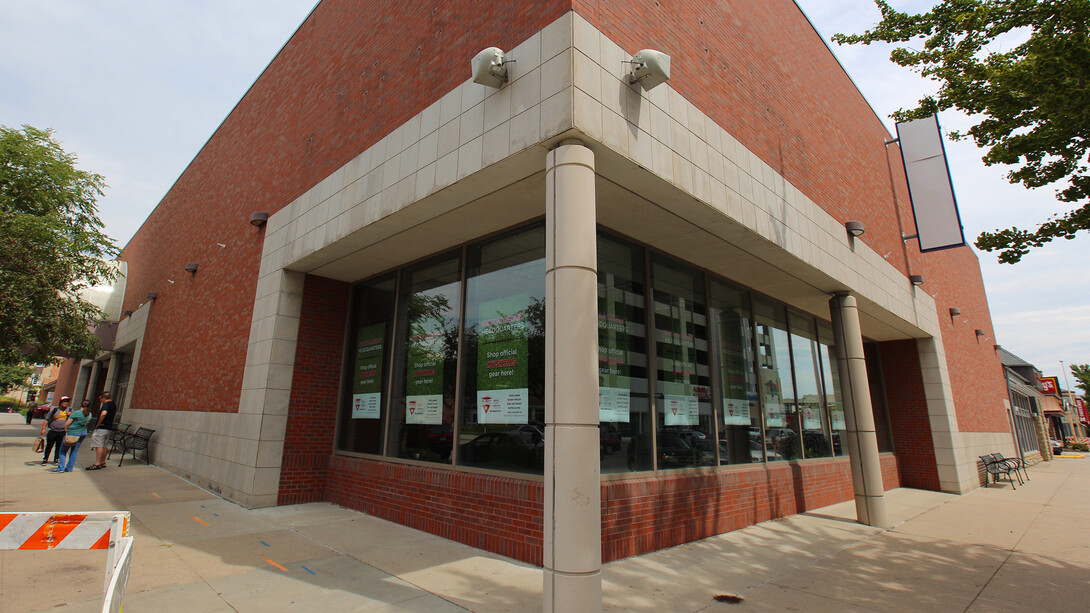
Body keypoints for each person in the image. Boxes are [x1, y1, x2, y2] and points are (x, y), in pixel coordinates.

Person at [54, 400, 92, 473]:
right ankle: (69, 468)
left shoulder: (76, 413)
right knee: (74, 451)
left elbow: (67, 423)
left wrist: (65, 430)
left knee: (62, 451)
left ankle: (60, 468)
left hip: (72, 433)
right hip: (82, 433)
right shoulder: (89, 414)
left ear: (80, 405)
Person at [86, 391, 117, 470]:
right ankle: (103, 462)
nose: (100, 401)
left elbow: (104, 413)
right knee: (104, 445)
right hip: (108, 428)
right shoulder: (113, 404)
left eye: (101, 399)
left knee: (98, 445)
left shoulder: (106, 405)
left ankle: (97, 463)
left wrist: (98, 424)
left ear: (104, 398)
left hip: (102, 428)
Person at [40, 397, 71, 466]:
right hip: (53, 431)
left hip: (62, 431)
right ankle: (45, 459)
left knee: (59, 446)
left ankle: (56, 459)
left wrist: (70, 416)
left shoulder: (69, 410)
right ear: (60, 403)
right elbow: (46, 420)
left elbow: (72, 420)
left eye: (67, 402)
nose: (66, 403)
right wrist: (43, 429)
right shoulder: (54, 410)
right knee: (49, 446)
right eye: (64, 401)